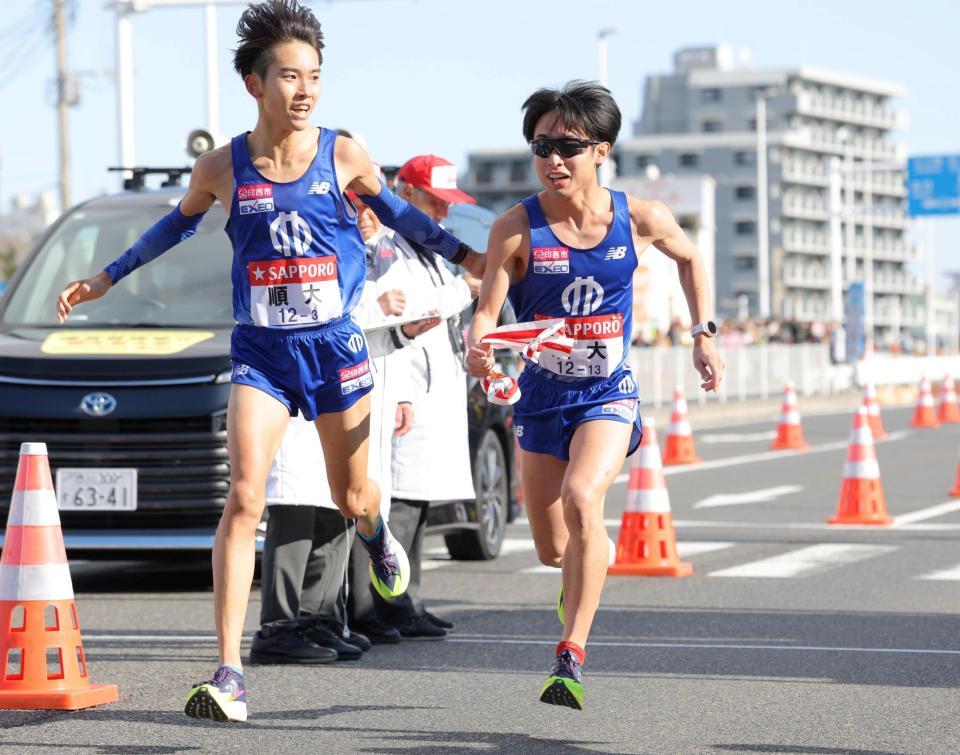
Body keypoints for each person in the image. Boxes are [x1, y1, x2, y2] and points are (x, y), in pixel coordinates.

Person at [55, 0, 482, 723]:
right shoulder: (222, 165)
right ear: (256, 84)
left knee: (355, 498)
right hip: (261, 352)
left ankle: (375, 540)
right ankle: (228, 671)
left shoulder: (341, 153)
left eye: (314, 75)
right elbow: (173, 226)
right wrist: (105, 277)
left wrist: (470, 254)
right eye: (290, 75)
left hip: (336, 348)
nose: (305, 89)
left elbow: (406, 218)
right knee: (246, 495)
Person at [466, 81, 724, 710]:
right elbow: (488, 311)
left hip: (608, 392)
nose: (553, 159)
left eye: (568, 147)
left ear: (601, 150)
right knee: (556, 548)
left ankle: (570, 654)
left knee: (587, 499)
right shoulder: (515, 227)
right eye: (541, 146)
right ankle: (575, 579)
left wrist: (704, 333)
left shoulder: (640, 218)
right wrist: (481, 348)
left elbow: (691, 260)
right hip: (539, 399)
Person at [349, 155, 480, 641]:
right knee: (397, 502)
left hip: (431, 385)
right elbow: (401, 319)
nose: (442, 214)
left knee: (418, 501)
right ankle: (385, 604)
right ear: (406, 196)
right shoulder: (386, 247)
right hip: (402, 386)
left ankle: (409, 599)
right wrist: (462, 291)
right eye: (435, 202)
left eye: (448, 204)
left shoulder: (425, 250)